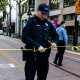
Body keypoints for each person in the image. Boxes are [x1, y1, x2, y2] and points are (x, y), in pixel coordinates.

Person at [22, 3, 59, 80]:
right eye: (42, 13)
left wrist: (55, 42)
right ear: (37, 11)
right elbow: (25, 37)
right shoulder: (31, 22)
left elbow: (55, 35)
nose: (44, 16)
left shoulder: (48, 24)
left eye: (46, 14)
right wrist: (37, 46)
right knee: (29, 78)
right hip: (32, 57)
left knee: (42, 78)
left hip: (44, 57)